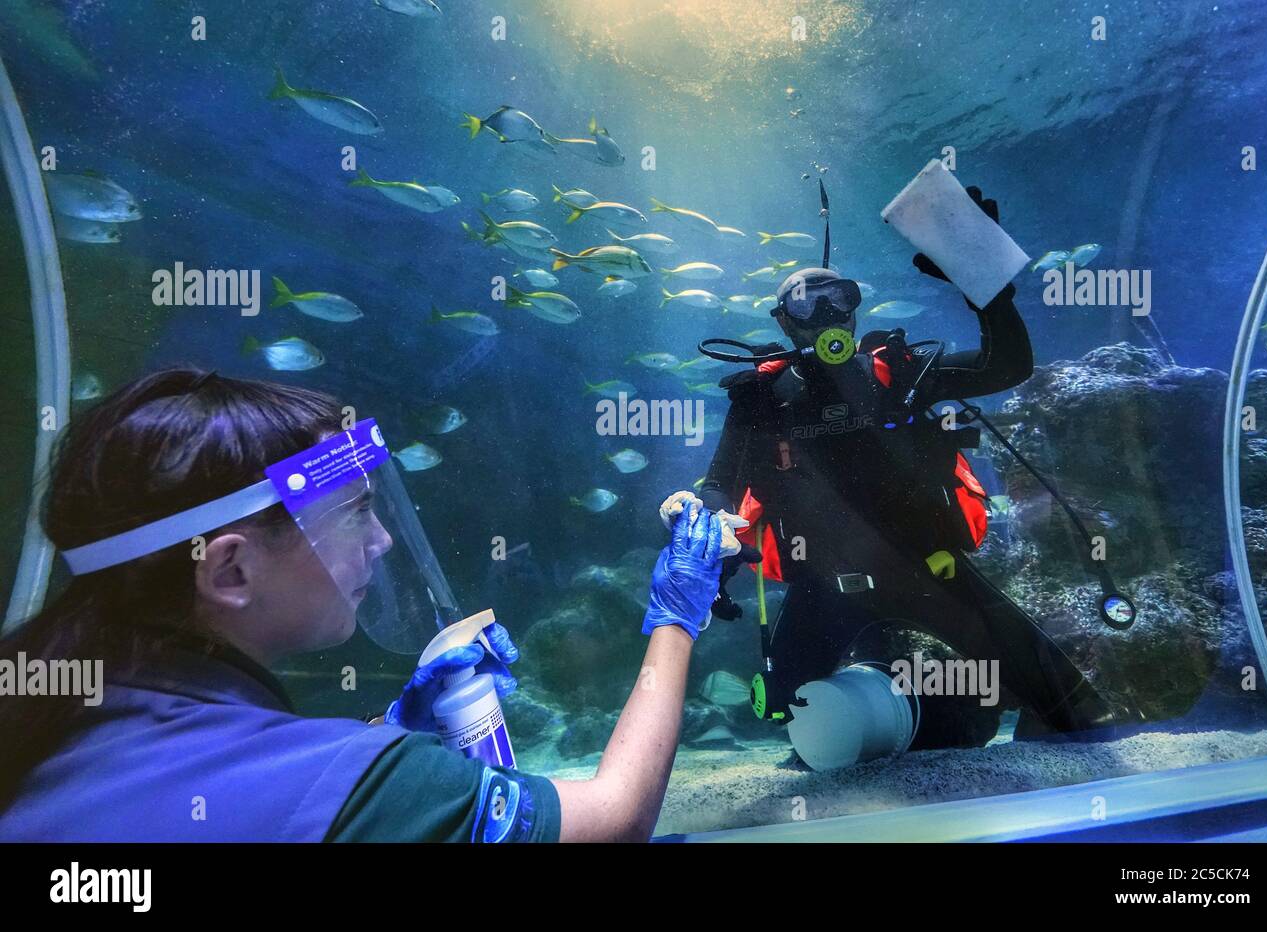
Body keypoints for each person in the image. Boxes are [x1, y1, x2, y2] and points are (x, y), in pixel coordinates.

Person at [0, 367, 724, 842]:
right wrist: (675, 615)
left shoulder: (47, 713)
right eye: (352, 513)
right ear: (229, 568)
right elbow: (617, 820)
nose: (380, 541)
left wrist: (394, 730)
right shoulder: (349, 783)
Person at [697, 187, 1123, 743]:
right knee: (784, 713)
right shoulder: (760, 399)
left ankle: (970, 714)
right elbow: (719, 485)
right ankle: (901, 697)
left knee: (1075, 708)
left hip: (932, 570)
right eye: (806, 305)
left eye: (838, 299)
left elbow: (1009, 366)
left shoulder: (898, 373)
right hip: (824, 587)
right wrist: (707, 546)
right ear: (785, 321)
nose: (826, 315)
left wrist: (983, 282)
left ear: (855, 307)